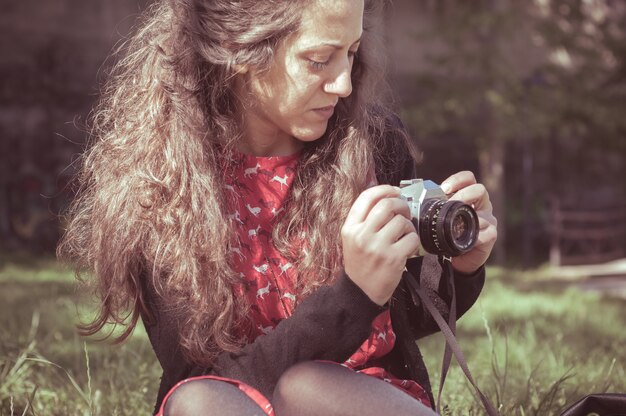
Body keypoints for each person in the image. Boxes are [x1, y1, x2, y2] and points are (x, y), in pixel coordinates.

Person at [58, 0, 498, 415]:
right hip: (232, 404)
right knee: (198, 401)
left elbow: (402, 319)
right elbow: (203, 377)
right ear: (240, 49)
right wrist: (355, 295)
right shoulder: (161, 185)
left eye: (352, 52)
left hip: (356, 402)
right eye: (319, 60)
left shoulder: (369, 146)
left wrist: (462, 268)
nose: (344, 83)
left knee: (309, 388)